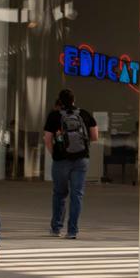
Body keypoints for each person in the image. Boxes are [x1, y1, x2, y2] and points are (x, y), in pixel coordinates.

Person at [43, 89, 98, 239]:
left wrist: (55, 153)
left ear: (59, 101)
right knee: (77, 195)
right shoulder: (85, 114)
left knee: (60, 194)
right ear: (74, 100)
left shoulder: (54, 116)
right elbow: (94, 137)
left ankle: (56, 228)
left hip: (61, 160)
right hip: (81, 160)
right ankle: (72, 230)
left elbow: (47, 139)